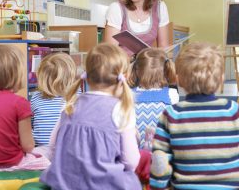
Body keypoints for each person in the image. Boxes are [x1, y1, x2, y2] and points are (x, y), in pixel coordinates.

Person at [40, 43, 142, 190]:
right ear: (123, 79)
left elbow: (53, 147)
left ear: (86, 77)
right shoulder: (122, 109)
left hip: (66, 183)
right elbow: (131, 162)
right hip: (104, 184)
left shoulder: (69, 106)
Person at [150, 42, 239, 190]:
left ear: (178, 80)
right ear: (221, 79)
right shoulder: (233, 111)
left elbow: (160, 160)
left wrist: (158, 186)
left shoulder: (171, 115)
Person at [0, 45, 49, 171]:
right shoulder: (20, 103)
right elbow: (28, 146)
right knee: (47, 163)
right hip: (12, 164)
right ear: (15, 75)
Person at [129, 47, 179, 150]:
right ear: (166, 70)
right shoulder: (172, 94)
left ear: (137, 70)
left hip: (136, 156)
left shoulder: (128, 94)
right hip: (162, 154)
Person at [31, 52, 77, 147]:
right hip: (68, 149)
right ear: (71, 77)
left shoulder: (35, 97)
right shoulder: (77, 96)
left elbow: (31, 124)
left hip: (41, 150)